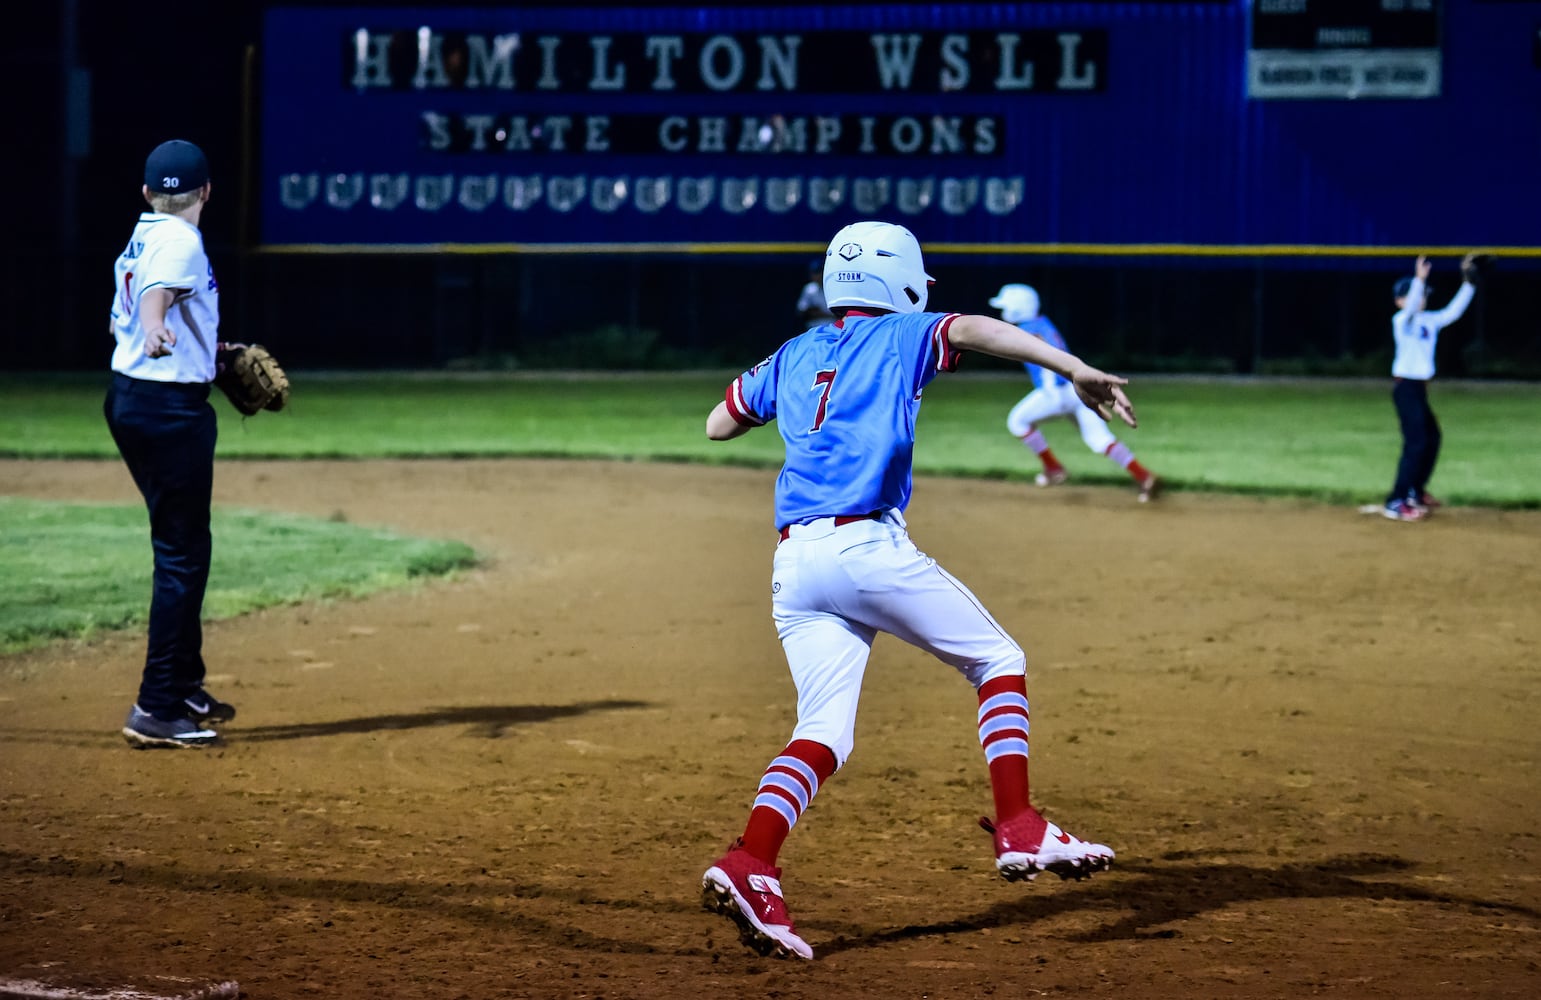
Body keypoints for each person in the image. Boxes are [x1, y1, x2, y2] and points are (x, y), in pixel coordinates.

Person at [699, 221, 1127, 961]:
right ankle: (1019, 824)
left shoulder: (796, 352)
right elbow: (979, 329)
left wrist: (794, 394)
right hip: (865, 549)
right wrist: (1075, 368)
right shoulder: (905, 335)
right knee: (997, 659)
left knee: (824, 732)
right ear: (898, 280)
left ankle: (750, 863)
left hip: (795, 566)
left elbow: (718, 424)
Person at [105, 139, 238, 748]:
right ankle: (157, 706)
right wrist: (158, 326)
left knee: (187, 547)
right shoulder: (181, 240)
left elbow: (134, 311)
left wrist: (206, 352)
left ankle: (182, 681)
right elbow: (157, 297)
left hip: (134, 398)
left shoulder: (144, 234)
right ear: (206, 191)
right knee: (182, 556)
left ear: (147, 193)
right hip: (166, 411)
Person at [989, 283, 1161, 502]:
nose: (1004, 310)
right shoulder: (1042, 323)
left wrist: (1051, 387)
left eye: (1007, 305)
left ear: (1018, 307)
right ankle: (1144, 476)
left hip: (1057, 392)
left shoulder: (1029, 330)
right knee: (1099, 439)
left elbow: (1051, 355)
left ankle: (1053, 469)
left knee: (1017, 421)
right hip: (1077, 391)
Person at [1380, 253, 1481, 522]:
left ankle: (1416, 490)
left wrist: (1469, 284)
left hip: (1419, 389)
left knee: (1432, 438)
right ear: (1399, 300)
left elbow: (1453, 312)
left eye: (1425, 293)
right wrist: (1418, 280)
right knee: (1416, 443)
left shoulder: (1429, 321)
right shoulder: (1402, 321)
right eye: (1417, 294)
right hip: (1405, 388)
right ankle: (1396, 500)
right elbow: (1412, 307)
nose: (1422, 297)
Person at [794, 258, 833, 329]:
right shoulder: (809, 289)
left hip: (832, 327)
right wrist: (812, 311)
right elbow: (801, 311)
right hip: (814, 328)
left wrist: (820, 313)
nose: (817, 276)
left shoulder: (833, 287)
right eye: (815, 273)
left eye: (819, 272)